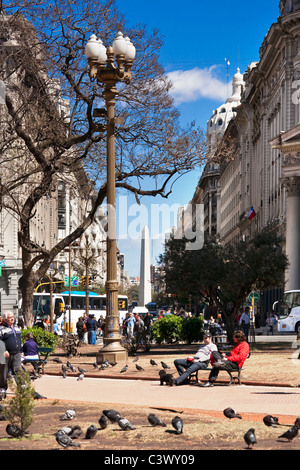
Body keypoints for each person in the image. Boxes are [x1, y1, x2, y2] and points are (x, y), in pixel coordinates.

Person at [0, 311, 22, 399]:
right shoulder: (1, 329)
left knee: (17, 370)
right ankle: (3, 389)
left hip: (16, 353)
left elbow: (19, 340)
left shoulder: (17, 328)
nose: (12, 318)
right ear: (5, 319)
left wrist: (21, 350)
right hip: (6, 355)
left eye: (13, 316)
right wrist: (4, 350)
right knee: (4, 373)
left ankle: (21, 388)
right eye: (10, 317)